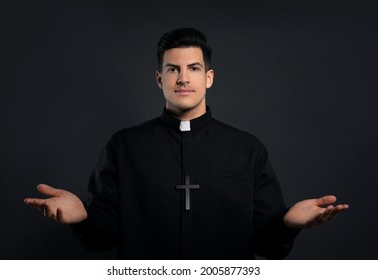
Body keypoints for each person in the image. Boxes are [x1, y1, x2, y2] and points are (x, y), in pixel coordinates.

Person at [24, 27, 349, 259]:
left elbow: (267, 246)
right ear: (159, 78)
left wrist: (287, 223)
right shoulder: (124, 147)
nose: (183, 78)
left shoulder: (247, 149)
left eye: (193, 68)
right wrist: (82, 217)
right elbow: (102, 238)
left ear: (208, 77)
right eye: (173, 69)